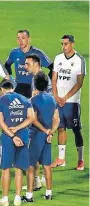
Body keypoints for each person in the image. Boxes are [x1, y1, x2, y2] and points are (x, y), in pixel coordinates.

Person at [0, 79, 34, 206]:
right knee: (19, 168)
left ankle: (5, 199)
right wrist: (18, 129)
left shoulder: (0, 101)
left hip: (8, 137)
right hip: (23, 135)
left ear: (2, 89)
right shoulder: (25, 99)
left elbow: (1, 123)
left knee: (6, 168)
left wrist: (12, 134)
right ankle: (17, 197)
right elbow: (31, 118)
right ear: (13, 88)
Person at [22, 72, 60, 203]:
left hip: (36, 136)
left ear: (35, 85)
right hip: (47, 137)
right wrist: (51, 132)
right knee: (47, 165)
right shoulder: (52, 99)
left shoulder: (33, 100)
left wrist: (44, 130)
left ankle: (29, 196)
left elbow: (33, 119)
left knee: (31, 165)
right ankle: (49, 193)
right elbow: (56, 119)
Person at [51, 35, 86, 170]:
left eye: (66, 44)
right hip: (58, 100)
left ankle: (80, 160)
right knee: (61, 127)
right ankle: (61, 159)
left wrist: (65, 97)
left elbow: (79, 82)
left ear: (72, 44)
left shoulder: (79, 60)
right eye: (62, 44)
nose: (63, 47)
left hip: (71, 101)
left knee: (76, 130)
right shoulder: (58, 58)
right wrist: (55, 95)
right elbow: (54, 78)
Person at [4, 29, 53, 98]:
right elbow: (7, 65)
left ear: (29, 39)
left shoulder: (38, 53)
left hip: (33, 87)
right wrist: (10, 79)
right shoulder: (14, 52)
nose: (20, 41)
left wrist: (45, 82)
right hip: (19, 87)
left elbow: (53, 68)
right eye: (18, 38)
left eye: (23, 38)